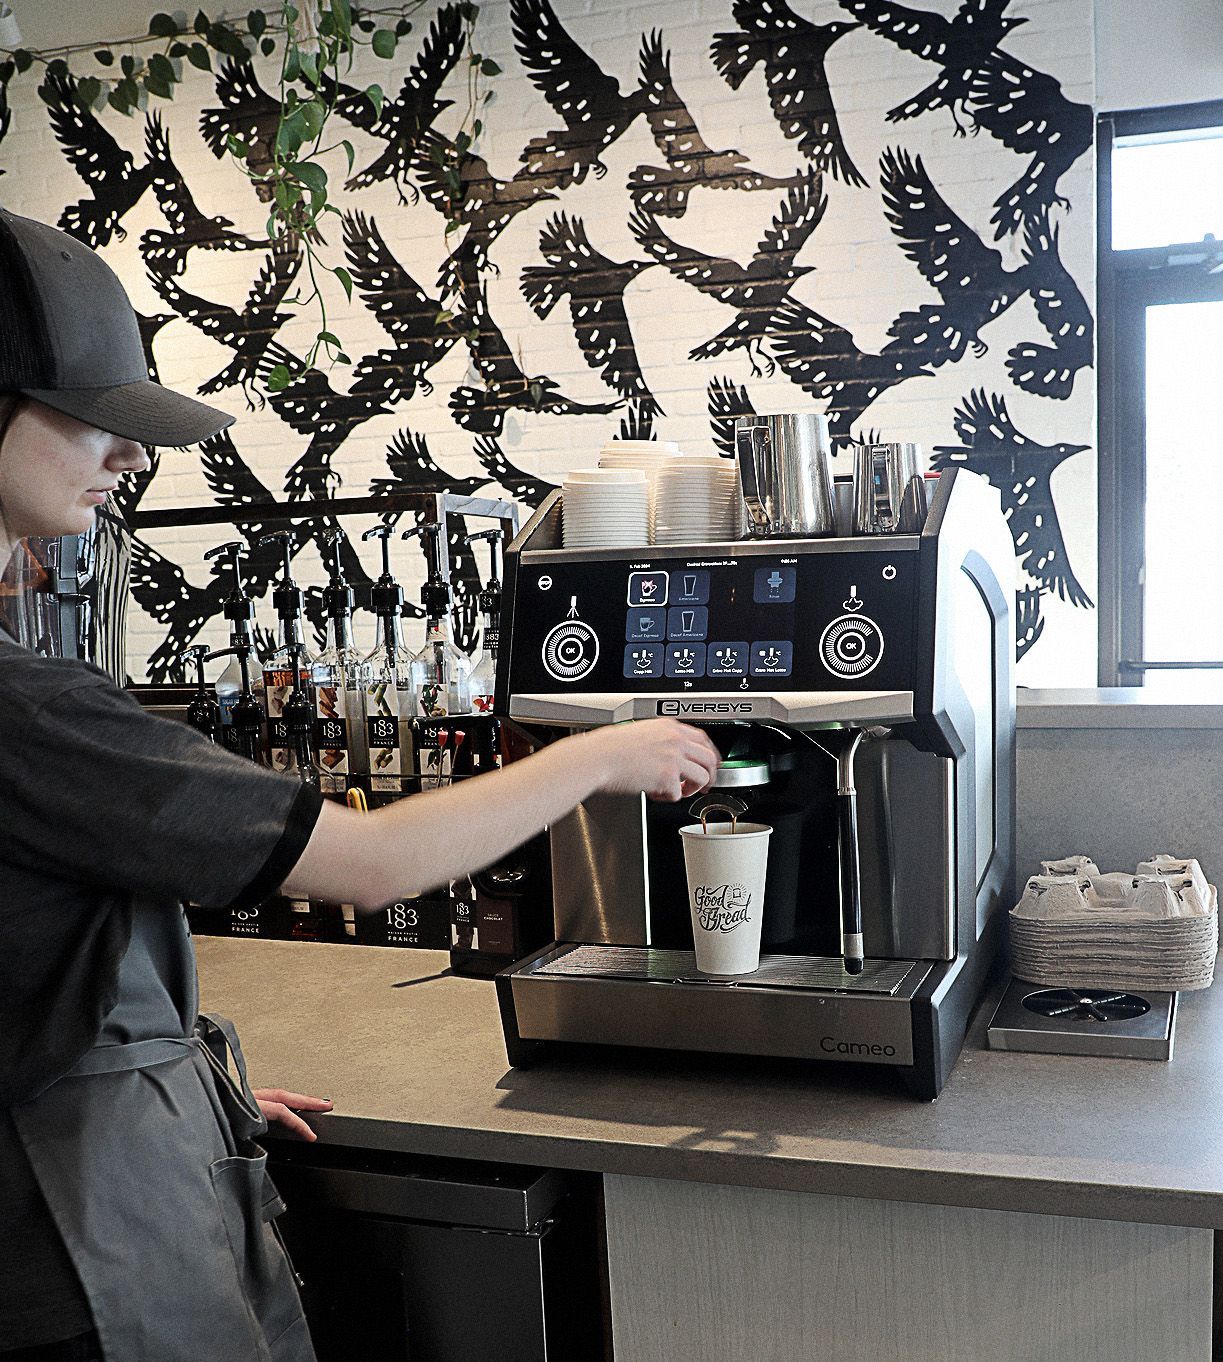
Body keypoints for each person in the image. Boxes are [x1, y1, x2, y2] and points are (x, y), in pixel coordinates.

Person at [0, 208, 720, 1362]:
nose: (132, 456)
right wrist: (608, 751)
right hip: (79, 1260)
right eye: (93, 421)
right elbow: (369, 864)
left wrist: (170, 1097)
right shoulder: (28, 709)